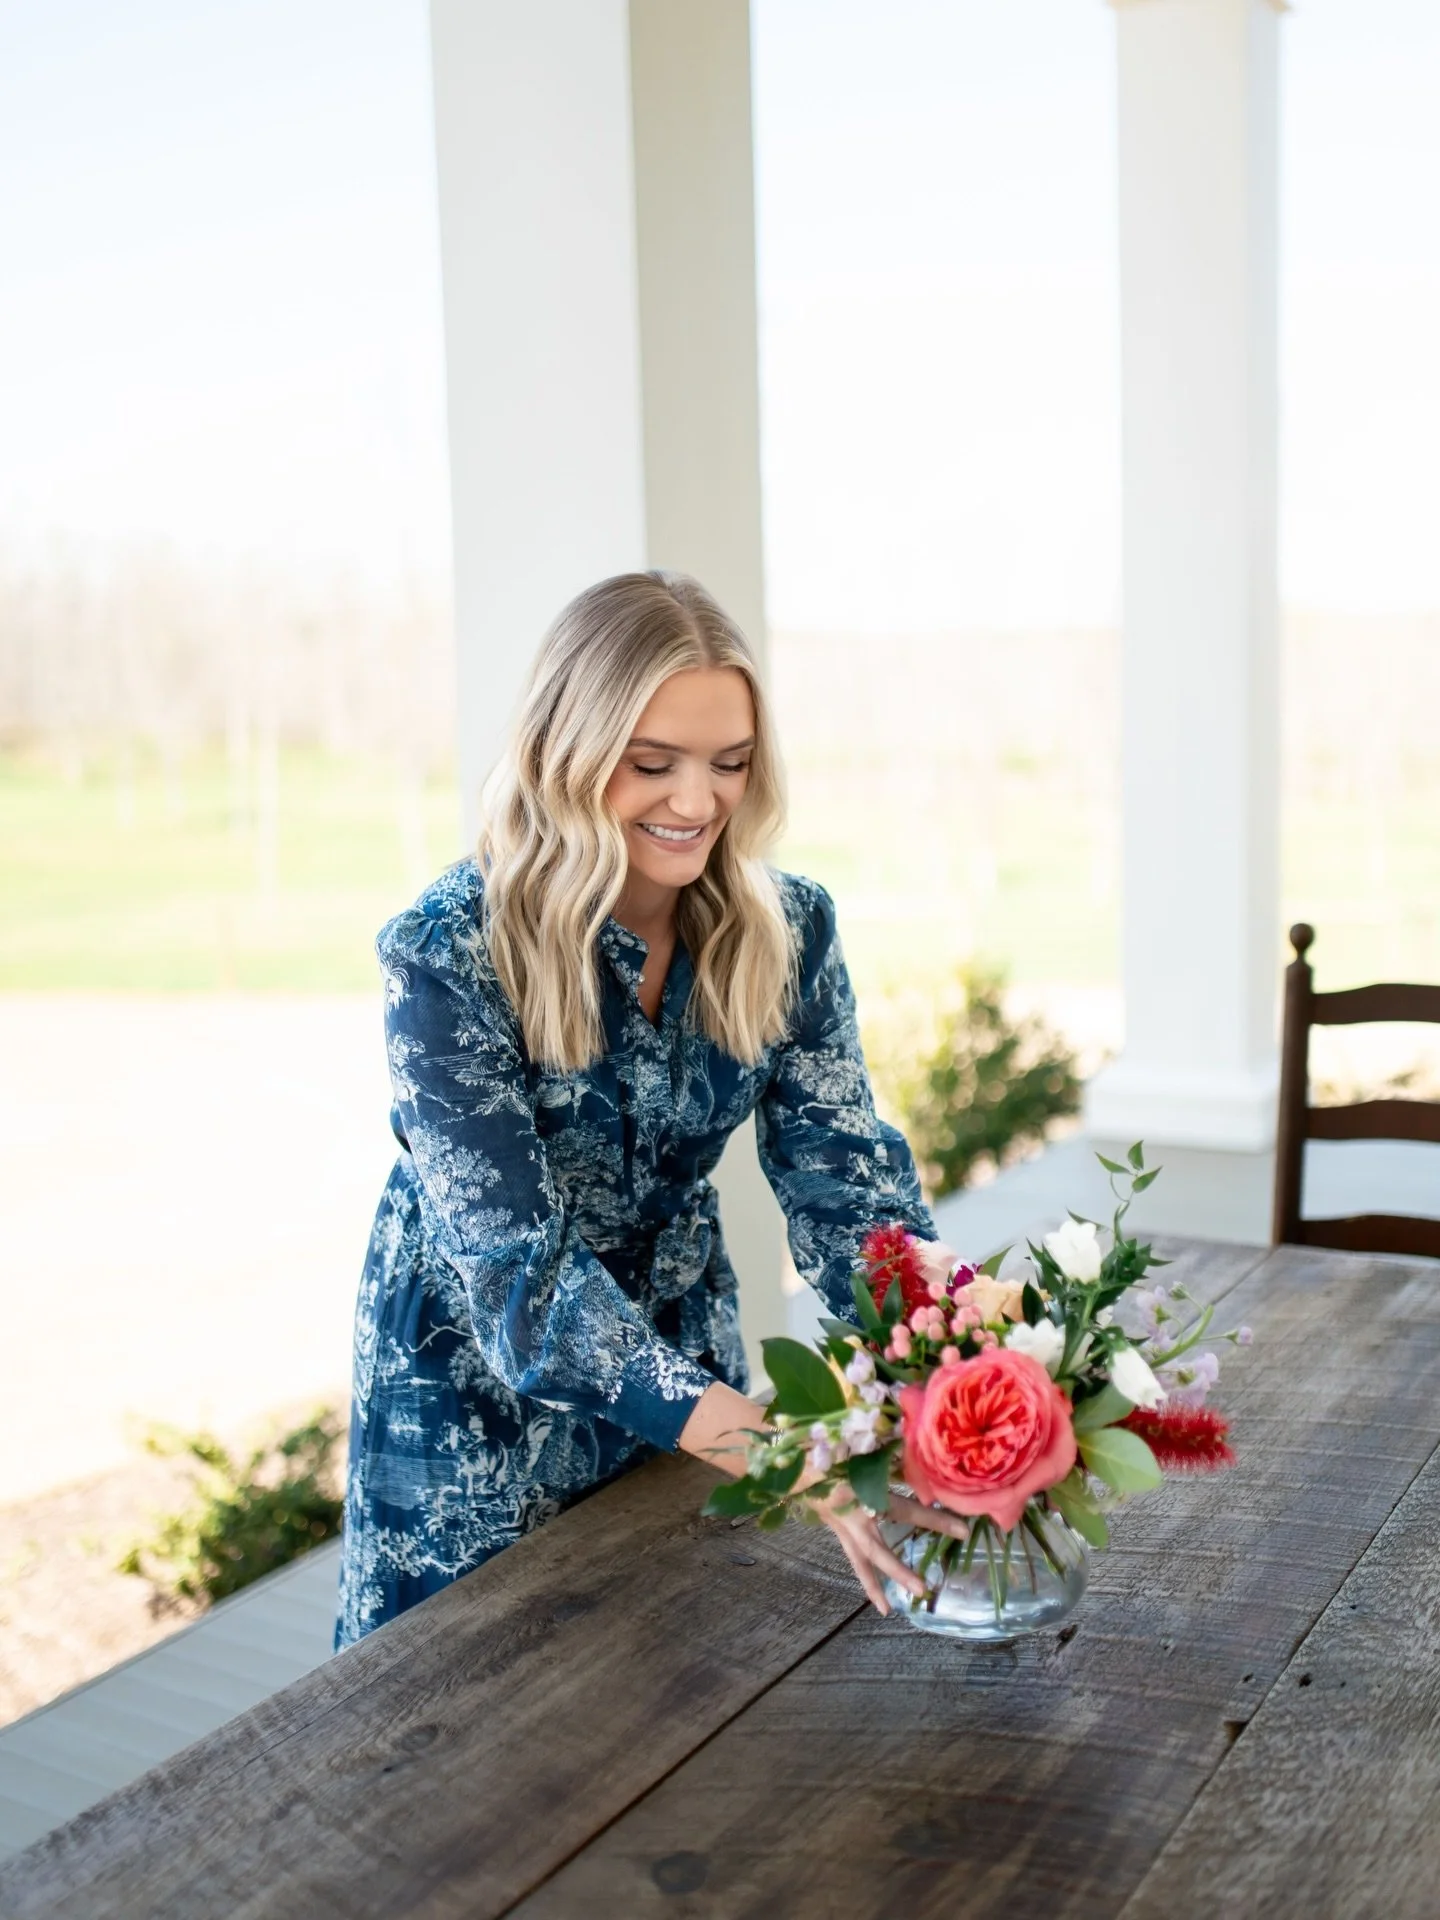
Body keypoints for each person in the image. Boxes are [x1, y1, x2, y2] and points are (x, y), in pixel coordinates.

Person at [334, 571, 964, 1648]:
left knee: (678, 1670)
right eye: (651, 762)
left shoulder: (790, 931)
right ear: (566, 755)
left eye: (729, 763)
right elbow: (523, 1283)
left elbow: (847, 1189)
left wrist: (952, 1377)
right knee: (464, 1721)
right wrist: (777, 1450)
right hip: (475, 1385)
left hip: (683, 1338)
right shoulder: (446, 954)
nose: (697, 801)